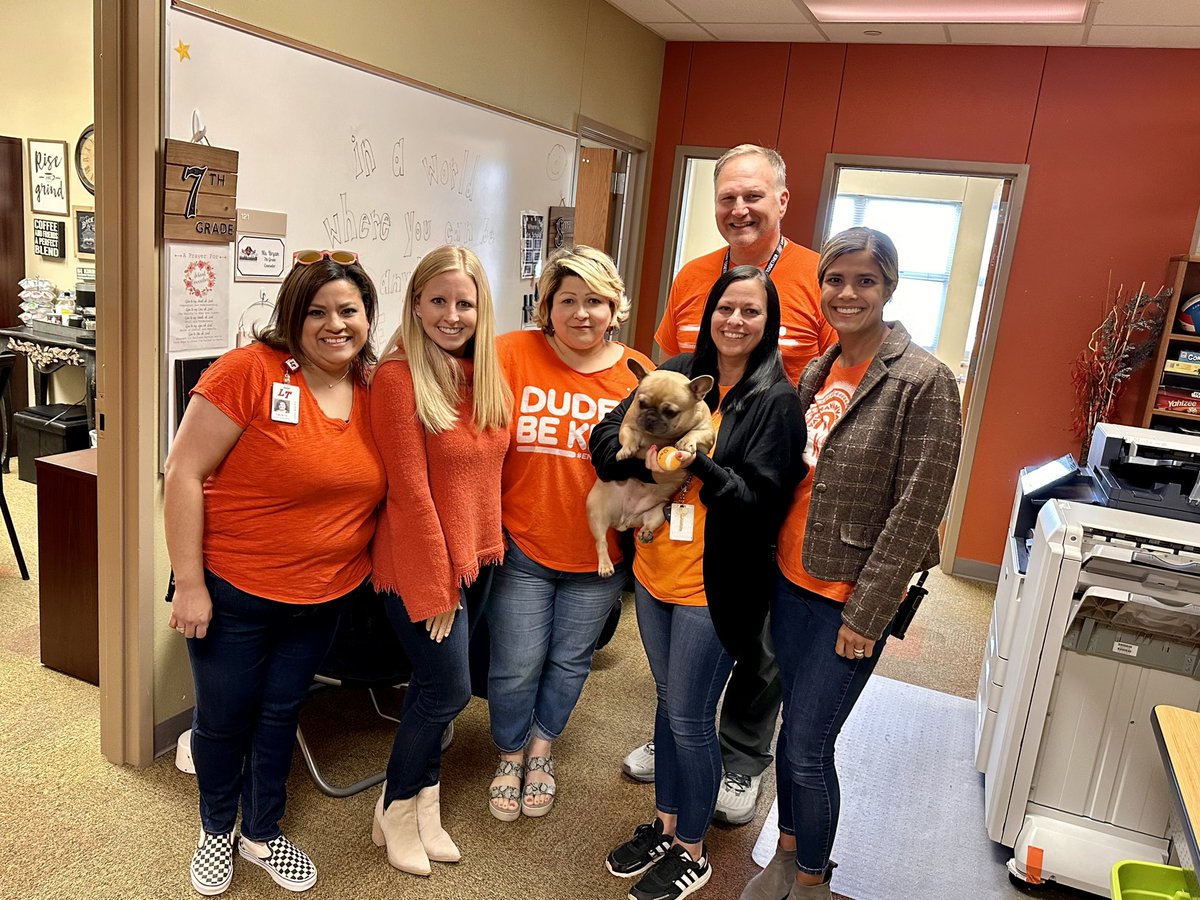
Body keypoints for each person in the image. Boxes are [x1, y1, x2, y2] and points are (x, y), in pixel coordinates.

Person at [742, 228, 962, 900]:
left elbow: (916, 511)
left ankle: (811, 879)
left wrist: (867, 615)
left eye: (865, 280)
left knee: (809, 745)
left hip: (848, 600)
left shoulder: (924, 381)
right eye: (836, 279)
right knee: (788, 736)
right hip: (790, 578)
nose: (847, 293)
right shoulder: (818, 369)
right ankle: (785, 851)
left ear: (889, 287)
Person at [164, 248, 385, 896]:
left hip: (323, 596)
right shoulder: (247, 373)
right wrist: (191, 582)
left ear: (368, 315)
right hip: (233, 591)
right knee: (225, 716)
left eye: (349, 309)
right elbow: (183, 473)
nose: (335, 323)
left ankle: (261, 832)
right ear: (293, 313)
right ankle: (214, 830)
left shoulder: (377, 390)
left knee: (279, 714)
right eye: (317, 310)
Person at [627, 143, 834, 826]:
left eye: (753, 195)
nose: (739, 208)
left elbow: (841, 388)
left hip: (774, 490)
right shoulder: (693, 278)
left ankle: (741, 758)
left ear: (782, 199)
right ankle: (681, 734)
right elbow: (665, 375)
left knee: (755, 637)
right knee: (682, 626)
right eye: (726, 197)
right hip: (684, 493)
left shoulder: (815, 280)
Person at [593, 266, 807, 900]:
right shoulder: (677, 370)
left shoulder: (773, 400)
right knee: (669, 703)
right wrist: (634, 450)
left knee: (689, 716)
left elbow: (759, 503)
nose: (735, 322)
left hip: (712, 588)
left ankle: (691, 848)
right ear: (707, 313)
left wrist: (696, 462)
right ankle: (665, 823)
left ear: (769, 324)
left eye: (751, 312)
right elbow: (607, 434)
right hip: (655, 572)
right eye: (725, 309)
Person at [486, 246, 653, 821]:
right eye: (568, 301)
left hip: (600, 555)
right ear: (547, 306)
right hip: (522, 545)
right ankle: (509, 753)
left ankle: (541, 748)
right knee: (515, 662)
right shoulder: (510, 352)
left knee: (569, 661)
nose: (582, 314)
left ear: (615, 307)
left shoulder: (640, 373)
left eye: (596, 302)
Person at [368, 245, 511, 878]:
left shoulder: (482, 373)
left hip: (477, 560)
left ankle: (427, 804)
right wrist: (438, 589)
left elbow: (483, 480)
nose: (452, 315)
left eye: (465, 302)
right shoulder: (399, 379)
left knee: (439, 691)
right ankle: (394, 809)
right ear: (416, 304)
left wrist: (470, 570)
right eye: (438, 301)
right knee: (447, 689)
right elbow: (410, 493)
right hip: (419, 569)